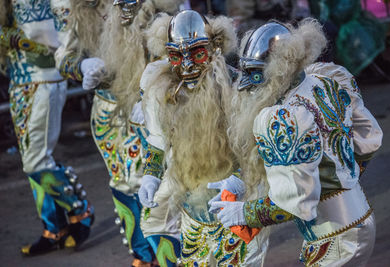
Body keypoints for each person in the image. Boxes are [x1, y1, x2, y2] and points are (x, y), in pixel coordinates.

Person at [210, 20, 383, 266]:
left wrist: (244, 214)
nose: (246, 85)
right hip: (355, 221)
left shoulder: (285, 116)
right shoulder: (324, 81)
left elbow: (292, 204)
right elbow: (368, 142)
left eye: (255, 73)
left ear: (277, 70)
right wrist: (343, 182)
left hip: (336, 236)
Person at [54, 0, 183, 265]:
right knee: (122, 183)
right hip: (108, 107)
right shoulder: (78, 5)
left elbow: (180, 47)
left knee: (159, 181)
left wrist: (157, 93)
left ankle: (171, 259)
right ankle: (143, 256)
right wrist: (82, 66)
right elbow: (63, 56)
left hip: (151, 105)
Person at [138, 10, 269, 266]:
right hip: (192, 209)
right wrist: (151, 175)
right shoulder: (163, 92)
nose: (186, 65)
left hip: (236, 205)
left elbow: (258, 144)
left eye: (197, 53)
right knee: (155, 223)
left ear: (214, 48)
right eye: (176, 56)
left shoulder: (237, 86)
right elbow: (157, 139)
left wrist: (240, 179)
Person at [0, 0, 94, 256]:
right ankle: (54, 229)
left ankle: (79, 209)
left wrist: (15, 39)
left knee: (36, 161)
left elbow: (54, 40)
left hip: (44, 79)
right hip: (19, 81)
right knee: (33, 160)